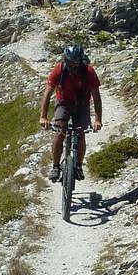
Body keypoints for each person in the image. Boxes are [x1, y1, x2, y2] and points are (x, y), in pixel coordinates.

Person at [39, 44, 103, 182]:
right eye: (70, 62)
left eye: (76, 62)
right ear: (65, 60)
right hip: (64, 101)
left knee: (80, 135)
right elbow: (47, 94)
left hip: (82, 103)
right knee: (59, 132)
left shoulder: (89, 71)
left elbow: (96, 97)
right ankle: (56, 167)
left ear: (81, 60)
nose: (73, 66)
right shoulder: (59, 69)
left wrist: (98, 120)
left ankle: (78, 166)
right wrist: (43, 117)